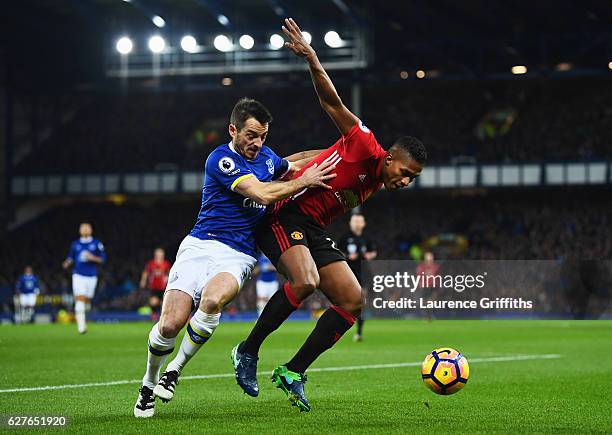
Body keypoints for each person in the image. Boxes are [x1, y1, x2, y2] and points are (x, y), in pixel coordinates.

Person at [232, 18, 427, 412]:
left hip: (311, 228)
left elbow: (318, 156)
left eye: (412, 179)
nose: (405, 182)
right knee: (305, 281)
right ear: (389, 159)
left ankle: (293, 371)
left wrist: (295, 161)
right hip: (284, 216)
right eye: (404, 173)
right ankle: (247, 350)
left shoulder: (375, 179)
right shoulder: (364, 144)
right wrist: (312, 58)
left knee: (353, 299)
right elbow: (332, 102)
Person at [133, 97, 334, 418]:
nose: (257, 143)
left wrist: (342, 151)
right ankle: (149, 382)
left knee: (212, 302)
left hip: (237, 254)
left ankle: (175, 370)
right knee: (170, 324)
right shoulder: (221, 159)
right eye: (251, 135)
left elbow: (292, 161)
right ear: (233, 130)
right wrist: (303, 181)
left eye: (263, 136)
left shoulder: (267, 157)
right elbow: (263, 193)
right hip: (199, 246)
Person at [338, 213, 377, 341]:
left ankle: (359, 332)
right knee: (346, 301)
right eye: (355, 221)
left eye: (359, 221)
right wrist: (348, 256)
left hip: (364, 272)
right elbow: (338, 252)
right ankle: (339, 326)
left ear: (363, 223)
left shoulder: (367, 238)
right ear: (351, 223)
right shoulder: (345, 237)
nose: (357, 223)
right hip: (348, 272)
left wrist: (368, 256)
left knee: (361, 302)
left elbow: (373, 252)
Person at [62, 222, 106, 334]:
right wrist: (67, 263)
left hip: (91, 276)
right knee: (80, 299)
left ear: (91, 230)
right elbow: (71, 257)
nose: (85, 229)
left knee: (87, 301)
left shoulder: (96, 243)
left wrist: (92, 258)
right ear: (80, 230)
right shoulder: (75, 244)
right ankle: (81, 327)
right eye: (83, 228)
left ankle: (82, 316)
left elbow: (102, 259)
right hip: (78, 275)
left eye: (87, 228)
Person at [140, 248, 172, 321]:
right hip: (153, 287)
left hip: (163, 287)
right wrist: (143, 281)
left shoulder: (166, 264)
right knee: (153, 302)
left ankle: (163, 317)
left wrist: (169, 279)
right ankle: (154, 316)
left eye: (161, 254)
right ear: (155, 254)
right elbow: (145, 272)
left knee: (163, 303)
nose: (160, 255)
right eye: (158, 253)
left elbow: (169, 273)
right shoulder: (151, 263)